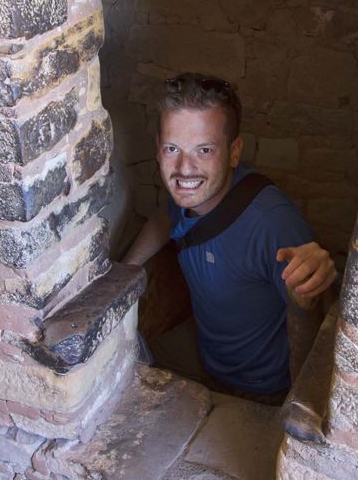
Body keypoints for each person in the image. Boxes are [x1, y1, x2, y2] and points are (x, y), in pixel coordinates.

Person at [124, 73, 337, 404]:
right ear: (158, 149)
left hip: (263, 387)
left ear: (234, 152)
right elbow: (166, 217)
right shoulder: (187, 194)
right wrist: (124, 271)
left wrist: (312, 288)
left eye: (204, 149)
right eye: (172, 148)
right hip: (205, 356)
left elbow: (316, 322)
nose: (185, 168)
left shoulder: (271, 224)